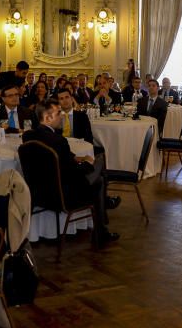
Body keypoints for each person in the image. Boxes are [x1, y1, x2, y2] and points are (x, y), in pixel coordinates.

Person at [23, 100, 119, 248]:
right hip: (61, 195)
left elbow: (55, 157)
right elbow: (73, 173)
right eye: (58, 113)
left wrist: (73, 157)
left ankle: (104, 216)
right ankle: (101, 230)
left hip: (38, 193)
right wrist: (87, 163)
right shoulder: (59, 141)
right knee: (99, 170)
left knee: (98, 176)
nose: (62, 116)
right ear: (47, 117)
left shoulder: (28, 136)